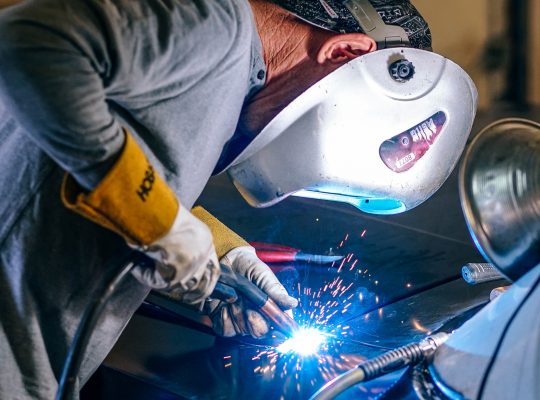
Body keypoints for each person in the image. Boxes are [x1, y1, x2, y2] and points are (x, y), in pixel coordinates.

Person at [0, 0, 431, 398]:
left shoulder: (227, 76)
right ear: (343, 54)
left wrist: (223, 255)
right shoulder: (215, 23)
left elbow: (107, 174)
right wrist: (158, 221)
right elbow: (27, 44)